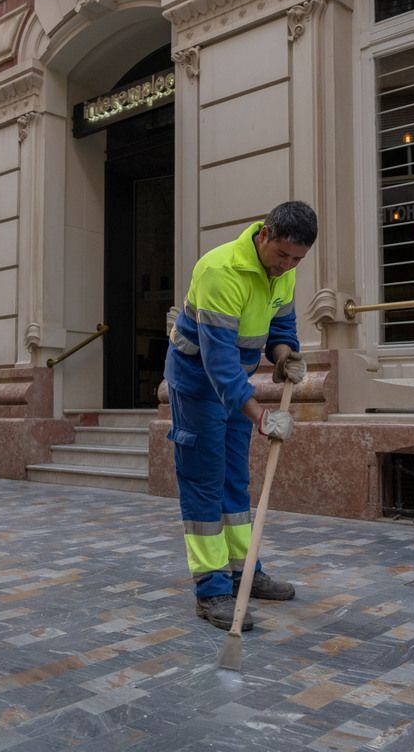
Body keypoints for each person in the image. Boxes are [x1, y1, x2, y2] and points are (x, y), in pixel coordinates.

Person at [164, 201, 316, 630]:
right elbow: (219, 363)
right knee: (204, 481)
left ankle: (244, 571)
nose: (286, 267)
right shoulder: (219, 271)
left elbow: (281, 327)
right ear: (263, 235)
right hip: (197, 384)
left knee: (236, 480)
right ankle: (212, 590)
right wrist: (261, 417)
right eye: (282, 255)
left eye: (296, 260)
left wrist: (285, 357)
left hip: (234, 386)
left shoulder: (284, 271)